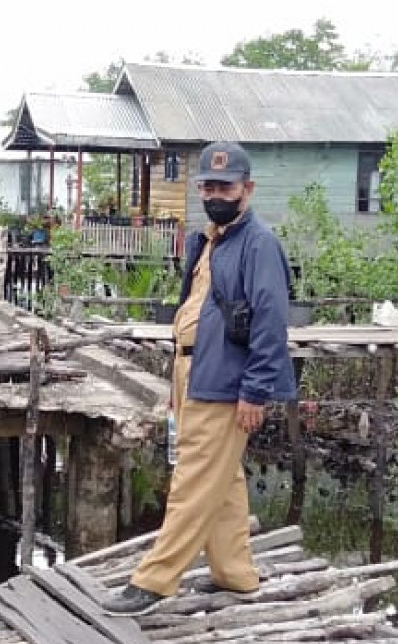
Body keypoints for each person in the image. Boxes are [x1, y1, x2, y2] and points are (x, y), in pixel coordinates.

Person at [101, 141, 298, 617]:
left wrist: (256, 389)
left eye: (224, 186)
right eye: (207, 186)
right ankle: (235, 574)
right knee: (222, 478)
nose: (215, 194)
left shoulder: (258, 244)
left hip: (227, 380)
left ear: (246, 189)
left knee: (192, 479)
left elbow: (271, 321)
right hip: (193, 369)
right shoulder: (208, 240)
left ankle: (154, 581)